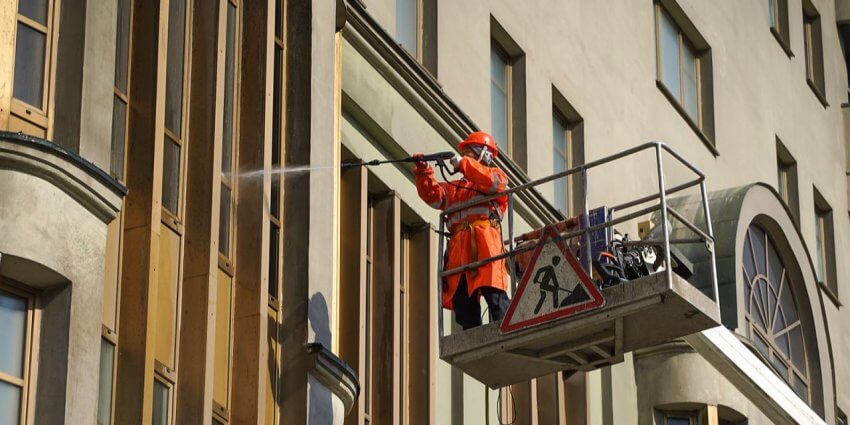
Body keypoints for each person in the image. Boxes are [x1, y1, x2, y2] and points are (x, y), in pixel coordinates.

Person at [413, 131, 511, 330]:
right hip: (460, 250)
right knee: (463, 303)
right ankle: (475, 341)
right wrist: (424, 172)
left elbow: (493, 183)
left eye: (469, 153)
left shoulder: (495, 177)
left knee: (495, 295)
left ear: (483, 154)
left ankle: (508, 331)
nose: (465, 156)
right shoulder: (455, 187)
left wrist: (465, 165)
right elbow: (434, 197)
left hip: (485, 244)